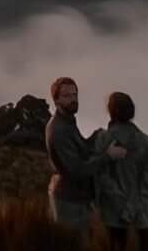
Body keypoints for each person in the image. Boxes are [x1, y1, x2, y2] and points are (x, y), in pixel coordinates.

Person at [95, 90, 148, 251]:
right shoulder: (146, 141)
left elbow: (102, 175)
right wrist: (136, 204)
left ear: (111, 112)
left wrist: (122, 203)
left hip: (115, 212)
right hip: (141, 213)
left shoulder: (104, 139)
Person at [45, 75, 109, 230]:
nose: (73, 99)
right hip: (68, 200)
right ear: (56, 100)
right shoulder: (59, 129)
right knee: (72, 249)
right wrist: (108, 156)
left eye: (75, 95)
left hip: (76, 197)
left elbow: (79, 150)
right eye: (67, 96)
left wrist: (95, 137)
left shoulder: (68, 120)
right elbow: (78, 169)